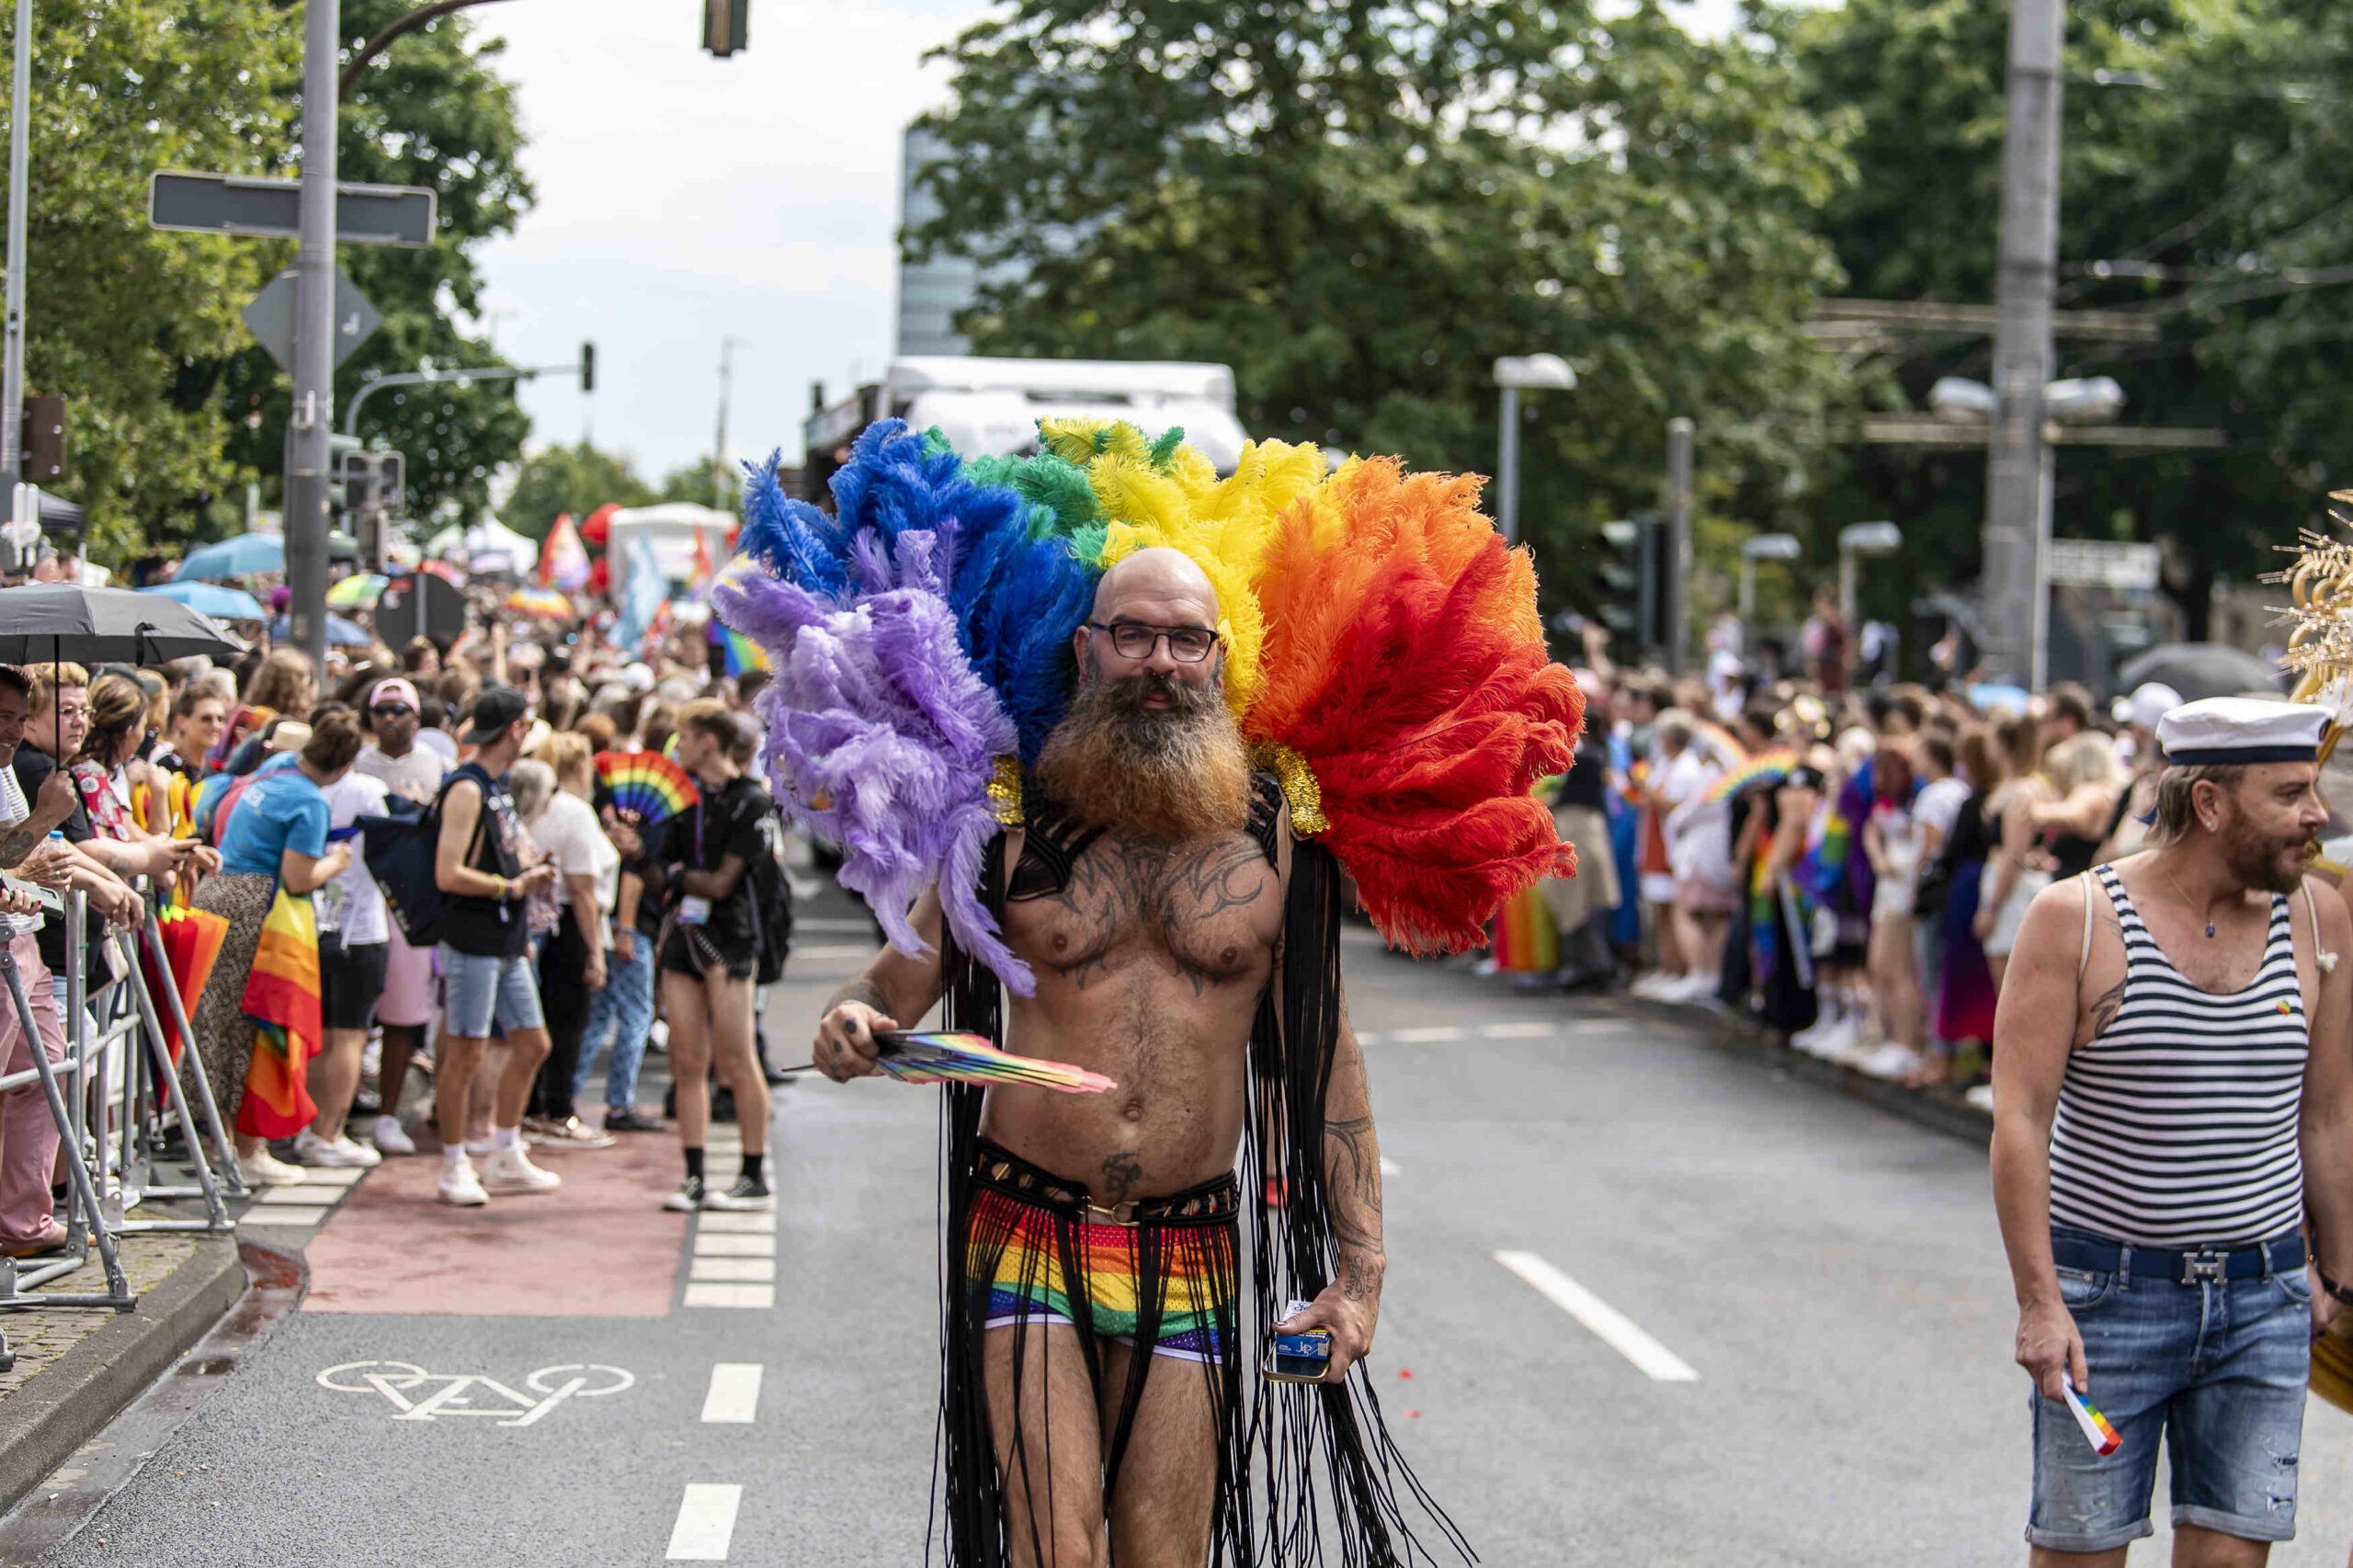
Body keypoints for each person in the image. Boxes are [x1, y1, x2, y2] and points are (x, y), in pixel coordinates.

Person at [811, 550, 1399, 1562]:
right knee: (1055, 1544)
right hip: (1028, 1224)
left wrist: (1360, 1270)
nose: (1159, 660)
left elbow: (1322, 1058)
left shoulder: (1280, 836)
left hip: (1191, 1240)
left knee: (1162, 1555)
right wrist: (851, 1023)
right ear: (1087, 649)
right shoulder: (1006, 824)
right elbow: (890, 985)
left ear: (1220, 659)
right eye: (1133, 633)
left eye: (1185, 638)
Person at [1990, 697, 2353, 1562]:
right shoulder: (2076, 919)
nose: (2319, 815)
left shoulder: (2319, 920)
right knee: (2083, 1554)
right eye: (2292, 793)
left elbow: (2330, 1114)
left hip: (2265, 1303)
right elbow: (2019, 1123)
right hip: (2107, 1305)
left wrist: (2338, 1277)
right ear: (2211, 804)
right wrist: (2041, 1305)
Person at [190, 708, 362, 1187]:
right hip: (258, 912)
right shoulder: (310, 802)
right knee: (254, 1030)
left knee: (215, 1026)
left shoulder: (268, 773)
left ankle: (222, 1146)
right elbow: (298, 876)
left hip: (216, 892)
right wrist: (336, 861)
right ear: (344, 768)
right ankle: (248, 1151)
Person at [429, 687, 563, 1207]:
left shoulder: (496, 784)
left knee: (533, 1043)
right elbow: (448, 873)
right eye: (526, 726)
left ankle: (505, 1151)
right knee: (466, 1053)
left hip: (503, 938)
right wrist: (513, 888)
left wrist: (525, 874)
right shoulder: (466, 788)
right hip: (475, 937)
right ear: (514, 730)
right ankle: (453, 1161)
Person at [653, 701, 775, 1210]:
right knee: (686, 1061)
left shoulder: (752, 800)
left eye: (682, 736)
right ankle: (694, 1176)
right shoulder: (679, 796)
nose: (676, 745)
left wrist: (677, 875)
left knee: (736, 1059)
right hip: (683, 940)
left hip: (732, 942)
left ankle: (753, 1175)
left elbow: (723, 883)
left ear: (707, 741)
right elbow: (658, 864)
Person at [0, 667, 81, 1256]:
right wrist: (47, 818)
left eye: (19, 718)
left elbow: (9, 850)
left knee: (45, 1071)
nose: (12, 731)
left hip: (21, 939)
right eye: (1, 717)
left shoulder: (7, 771)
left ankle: (22, 1223)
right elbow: (13, 860)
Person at [351, 676, 444, 1155]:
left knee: (402, 1017)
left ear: (416, 716)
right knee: (345, 1017)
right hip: (353, 901)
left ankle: (389, 1114)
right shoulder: (356, 764)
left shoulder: (435, 766)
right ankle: (336, 1110)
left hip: (407, 907)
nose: (389, 718)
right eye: (381, 710)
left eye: (398, 709)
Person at [302, 704, 391, 1169]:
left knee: (319, 1035)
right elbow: (388, 852)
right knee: (349, 1038)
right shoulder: (369, 790)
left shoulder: (301, 788)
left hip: (310, 926)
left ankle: (313, 1129)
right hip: (360, 928)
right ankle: (327, 1133)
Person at [519, 732, 616, 1147]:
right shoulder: (574, 812)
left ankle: (532, 1108)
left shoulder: (532, 805)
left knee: (534, 1020)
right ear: (581, 766)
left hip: (530, 924)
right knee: (567, 1021)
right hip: (567, 925)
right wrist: (595, 951)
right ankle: (557, 1110)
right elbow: (582, 889)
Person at [1976, 712, 2053, 994]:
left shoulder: (2022, 790)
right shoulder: (2013, 786)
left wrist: (1990, 907)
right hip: (2004, 883)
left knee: (2012, 985)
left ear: (2003, 743)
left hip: (2012, 889)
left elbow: (2014, 852)